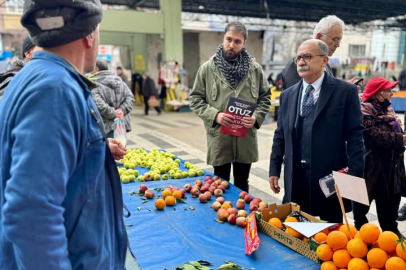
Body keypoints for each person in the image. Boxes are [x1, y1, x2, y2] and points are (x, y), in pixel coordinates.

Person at [0, 1, 128, 269]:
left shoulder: (38, 76)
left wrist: (96, 148)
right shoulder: (54, 90)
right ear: (90, 34)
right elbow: (32, 215)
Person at [269, 39, 364, 223]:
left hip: (329, 182)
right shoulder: (288, 95)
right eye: (299, 58)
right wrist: (274, 169)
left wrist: (354, 175)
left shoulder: (345, 92)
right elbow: (280, 134)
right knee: (295, 232)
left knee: (332, 239)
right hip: (296, 181)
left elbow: (355, 136)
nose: (302, 62)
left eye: (308, 57)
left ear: (324, 60)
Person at [190, 22, 271, 192]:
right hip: (220, 137)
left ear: (244, 43)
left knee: (242, 183)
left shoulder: (254, 70)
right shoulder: (207, 69)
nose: (231, 45)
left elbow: (265, 97)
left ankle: (244, 217)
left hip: (244, 137)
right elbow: (195, 99)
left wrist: (256, 117)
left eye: (237, 41)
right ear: (223, 38)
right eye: (229, 39)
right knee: (220, 184)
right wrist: (215, 115)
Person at [352, 77, 406, 237]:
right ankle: (364, 236)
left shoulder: (388, 109)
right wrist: (398, 139)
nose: (392, 93)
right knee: (362, 204)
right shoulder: (365, 110)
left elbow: (394, 129)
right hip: (372, 167)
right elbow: (370, 135)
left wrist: (401, 137)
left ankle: (391, 232)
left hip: (392, 165)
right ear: (378, 94)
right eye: (389, 90)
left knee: (390, 201)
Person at [281, 15, 359, 89]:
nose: (338, 45)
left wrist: (344, 87)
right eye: (334, 39)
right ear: (319, 37)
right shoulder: (297, 64)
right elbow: (299, 99)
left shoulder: (326, 65)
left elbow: (327, 90)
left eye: (339, 40)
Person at [89, 59, 134, 138]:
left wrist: (113, 113)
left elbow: (98, 103)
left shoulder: (94, 84)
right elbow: (130, 98)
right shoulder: (120, 82)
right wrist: (122, 110)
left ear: (97, 69)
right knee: (121, 147)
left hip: (104, 127)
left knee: (108, 149)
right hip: (121, 125)